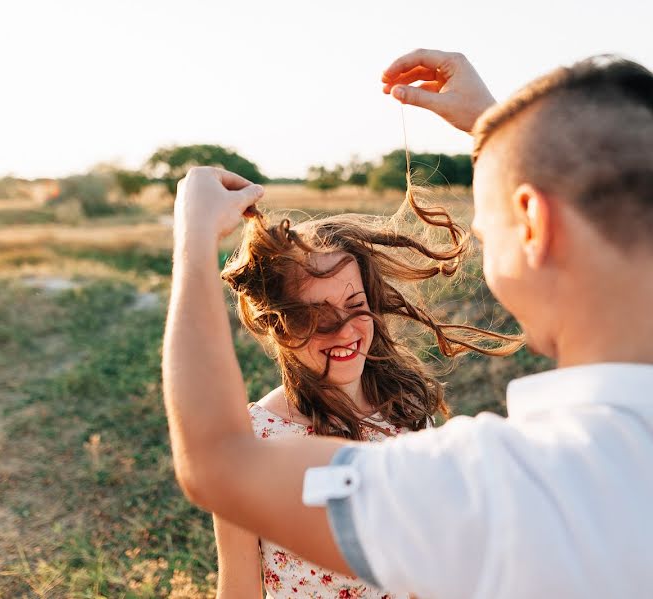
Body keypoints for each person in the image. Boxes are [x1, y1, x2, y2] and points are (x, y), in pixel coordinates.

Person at [162, 49, 653, 598]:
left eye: (489, 228)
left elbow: (219, 461)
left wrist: (192, 242)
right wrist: (506, 131)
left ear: (534, 223)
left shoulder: (503, 492)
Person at [208, 185, 520, 597]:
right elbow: (238, 590)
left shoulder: (405, 410)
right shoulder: (252, 442)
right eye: (316, 315)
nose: (344, 329)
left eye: (355, 305)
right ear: (278, 325)